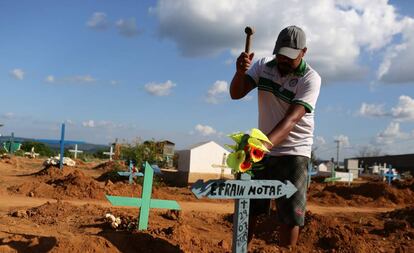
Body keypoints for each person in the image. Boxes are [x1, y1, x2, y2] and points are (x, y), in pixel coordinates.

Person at [230, 25, 321, 247]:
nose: (283, 60)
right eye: (280, 54)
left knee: (290, 215)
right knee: (248, 206)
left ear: (303, 52)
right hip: (262, 146)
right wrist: (240, 72)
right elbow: (236, 93)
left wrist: (259, 147)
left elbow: (290, 120)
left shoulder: (310, 79)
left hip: (294, 151)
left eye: (289, 57)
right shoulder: (263, 66)